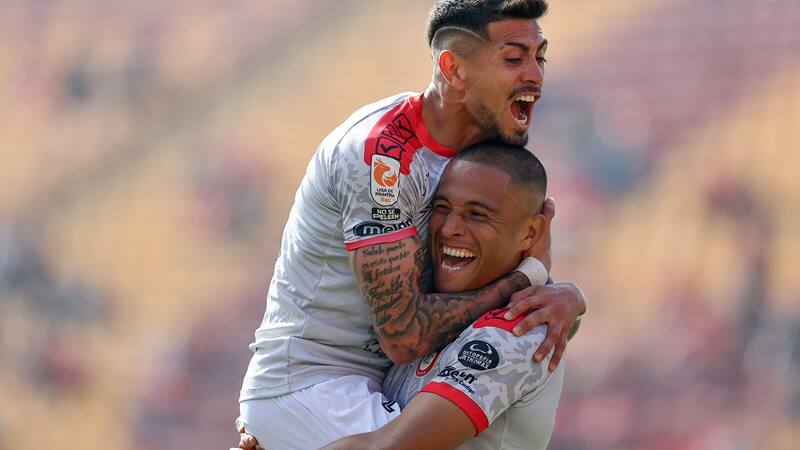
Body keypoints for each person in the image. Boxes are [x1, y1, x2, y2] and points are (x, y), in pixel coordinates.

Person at [237, 0, 586, 448]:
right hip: (313, 387)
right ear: (454, 69)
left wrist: (567, 299)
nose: (535, 75)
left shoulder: (480, 159)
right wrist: (527, 277)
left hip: (381, 384)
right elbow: (406, 334)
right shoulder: (381, 158)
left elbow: (516, 303)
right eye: (514, 58)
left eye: (540, 57)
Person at [323, 141, 562, 450]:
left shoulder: (515, 334)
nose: (449, 228)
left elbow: (386, 448)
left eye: (477, 214)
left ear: (530, 233)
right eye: (442, 208)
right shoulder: (430, 314)